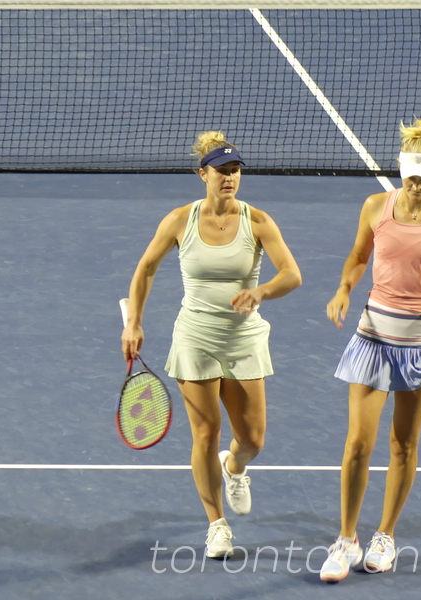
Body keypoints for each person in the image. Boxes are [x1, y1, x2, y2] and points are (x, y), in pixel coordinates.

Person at [121, 131, 302, 559]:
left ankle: (235, 466)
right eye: (221, 171)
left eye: (235, 170)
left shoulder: (257, 221)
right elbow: (145, 268)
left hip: (243, 340)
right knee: (205, 433)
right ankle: (216, 524)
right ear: (202, 174)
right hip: (195, 338)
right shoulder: (179, 220)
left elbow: (291, 274)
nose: (230, 178)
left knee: (253, 438)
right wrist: (134, 322)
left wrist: (262, 293)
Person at [319, 117, 421, 582]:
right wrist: (344, 288)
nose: (415, 185)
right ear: (401, 167)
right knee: (357, 444)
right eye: (411, 175)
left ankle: (384, 535)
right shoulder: (374, 206)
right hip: (373, 336)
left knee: (403, 444)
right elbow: (358, 257)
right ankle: (346, 539)